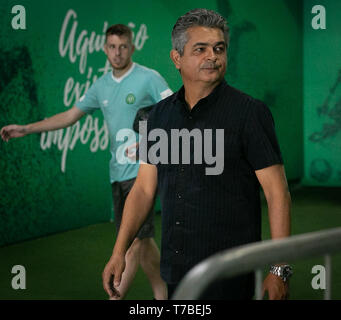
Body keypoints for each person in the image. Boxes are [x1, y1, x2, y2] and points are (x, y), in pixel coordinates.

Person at [102, 9, 292, 300]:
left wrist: (279, 269)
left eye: (219, 48)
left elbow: (277, 191)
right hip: (177, 271)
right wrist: (120, 251)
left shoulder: (250, 113)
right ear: (176, 58)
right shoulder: (157, 117)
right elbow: (143, 188)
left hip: (232, 271)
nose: (212, 56)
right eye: (200, 49)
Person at [1, 24, 172, 300]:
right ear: (105, 49)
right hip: (116, 174)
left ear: (132, 47)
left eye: (123, 46)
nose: (118, 53)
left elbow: (176, 109)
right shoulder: (101, 85)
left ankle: (115, 298)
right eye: (112, 47)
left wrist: (150, 142)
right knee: (143, 241)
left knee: (134, 242)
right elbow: (70, 116)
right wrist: (26, 128)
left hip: (141, 174)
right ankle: (164, 296)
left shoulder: (148, 78)